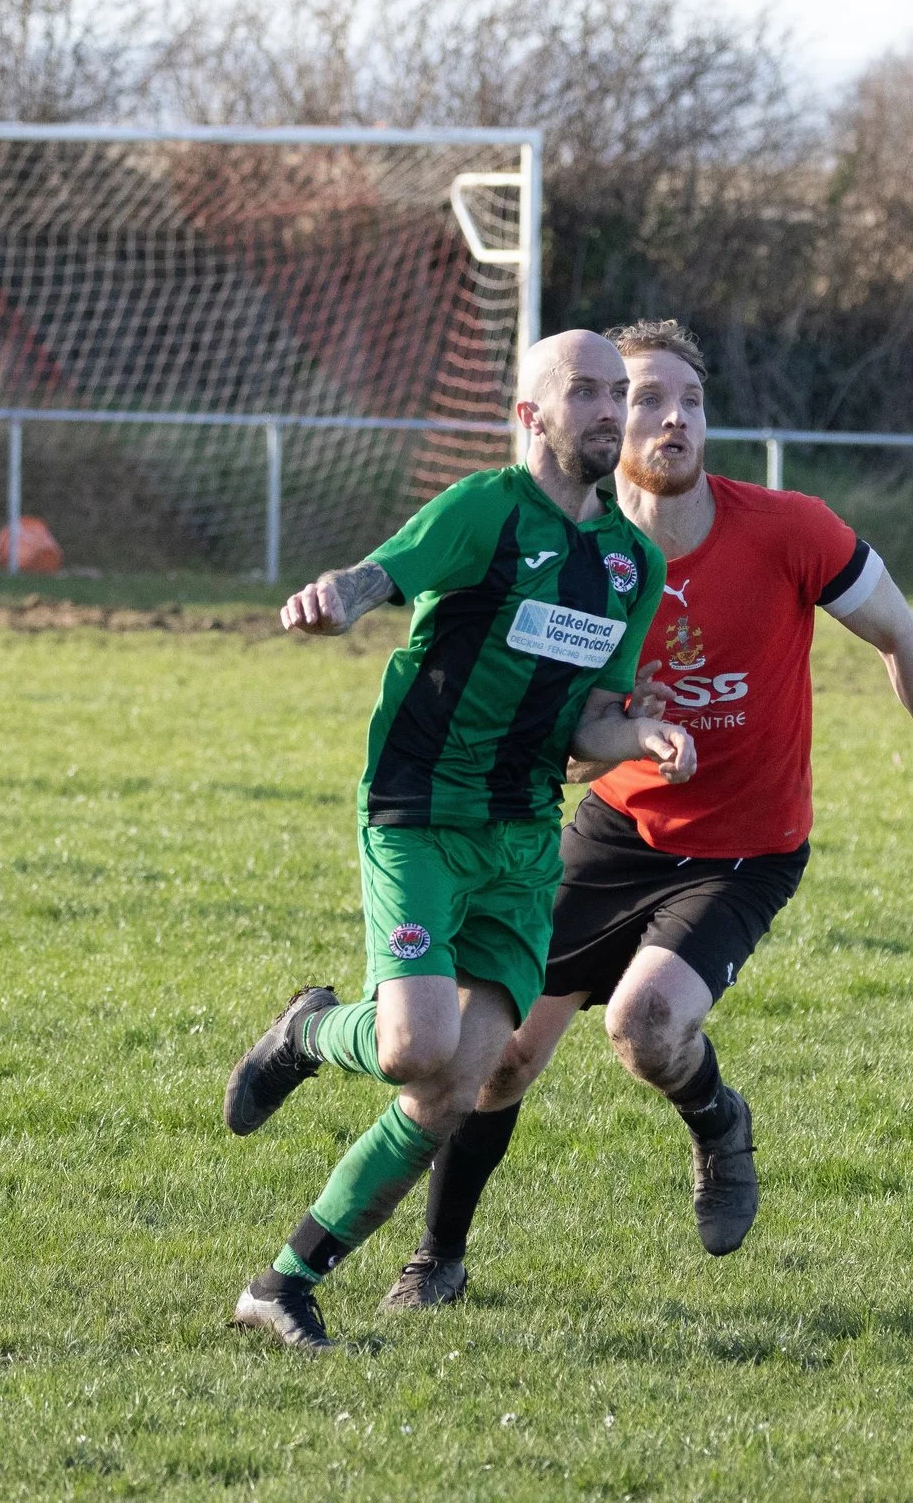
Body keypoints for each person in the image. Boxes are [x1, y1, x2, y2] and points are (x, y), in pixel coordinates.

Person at [379, 319, 913, 1312]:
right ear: (598, 415)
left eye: (691, 399)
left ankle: (717, 1120)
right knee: (497, 1058)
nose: (672, 417)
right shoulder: (572, 555)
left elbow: (903, 635)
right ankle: (438, 1259)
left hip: (741, 850)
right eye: (643, 398)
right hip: (609, 830)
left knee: (646, 1028)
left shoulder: (791, 530)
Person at [220, 330, 694, 1352]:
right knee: (412, 1047)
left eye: (620, 391)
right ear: (530, 415)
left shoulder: (630, 561)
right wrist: (334, 600)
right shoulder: (484, 509)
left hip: (523, 836)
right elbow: (377, 574)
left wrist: (640, 734)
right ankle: (308, 1031)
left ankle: (286, 1280)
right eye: (585, 392)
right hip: (421, 812)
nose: (612, 410)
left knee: (454, 1087)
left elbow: (583, 723)